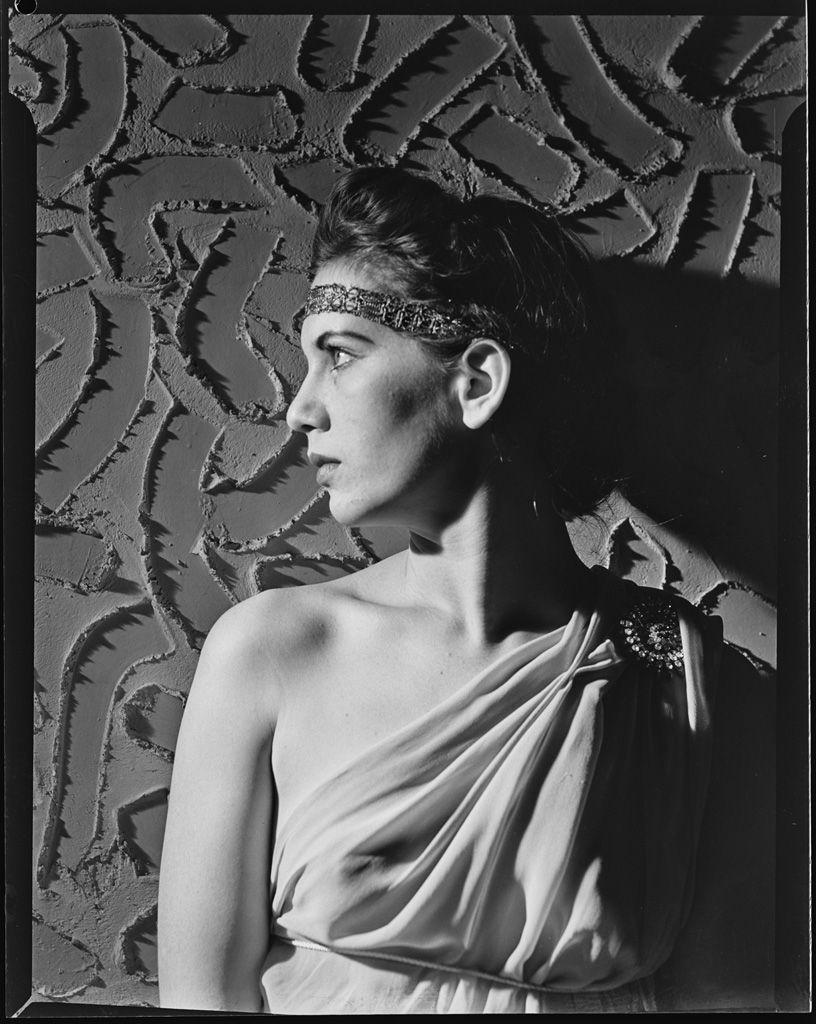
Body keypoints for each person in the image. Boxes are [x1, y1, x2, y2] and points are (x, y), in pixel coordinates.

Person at [157, 168, 775, 1014]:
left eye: (338, 355)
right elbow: (198, 1005)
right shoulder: (270, 652)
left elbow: (729, 1005)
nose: (299, 409)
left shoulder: (686, 681)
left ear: (477, 380)